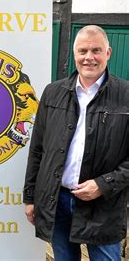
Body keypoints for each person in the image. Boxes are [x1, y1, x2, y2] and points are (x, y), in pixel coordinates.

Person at [23, 25, 129, 260]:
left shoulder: (126, 95)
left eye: (96, 50)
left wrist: (103, 184)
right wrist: (30, 198)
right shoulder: (52, 93)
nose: (89, 57)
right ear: (74, 54)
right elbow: (38, 149)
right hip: (57, 200)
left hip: (103, 206)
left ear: (108, 53)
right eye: (83, 51)